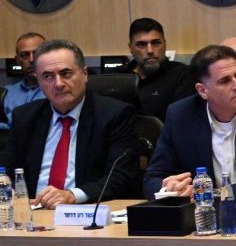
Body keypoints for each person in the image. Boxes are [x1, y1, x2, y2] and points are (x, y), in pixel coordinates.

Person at [143, 45, 236, 202]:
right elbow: (153, 178)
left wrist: (213, 194)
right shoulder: (180, 115)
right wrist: (170, 190)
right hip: (203, 214)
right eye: (225, 81)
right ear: (202, 91)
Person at [2, 39, 138, 207]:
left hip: (83, 211)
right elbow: (6, 170)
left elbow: (120, 177)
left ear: (85, 74)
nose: (58, 84)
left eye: (66, 73)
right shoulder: (25, 117)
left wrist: (72, 195)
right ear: (38, 80)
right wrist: (7, 189)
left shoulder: (114, 115)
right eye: (48, 76)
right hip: (31, 212)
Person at [116, 17, 194, 120]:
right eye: (141, 44)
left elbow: (182, 120)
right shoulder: (117, 78)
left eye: (156, 43)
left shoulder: (181, 75)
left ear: (165, 44)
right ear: (131, 48)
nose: (150, 50)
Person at [2, 32, 46, 129]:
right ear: (17, 60)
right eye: (24, 55)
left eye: (37, 53)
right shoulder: (6, 93)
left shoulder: (57, 90)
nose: (31, 60)